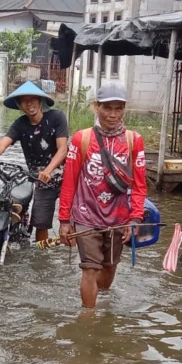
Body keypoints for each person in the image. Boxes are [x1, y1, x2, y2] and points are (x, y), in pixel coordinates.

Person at [58, 82, 147, 309]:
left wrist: (135, 218)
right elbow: (69, 182)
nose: (113, 115)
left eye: (119, 109)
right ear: (96, 107)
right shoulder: (81, 139)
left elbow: (139, 185)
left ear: (124, 109)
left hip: (118, 217)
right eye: (107, 108)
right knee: (89, 269)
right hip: (86, 215)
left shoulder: (133, 140)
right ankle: (88, 318)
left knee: (109, 267)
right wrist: (64, 220)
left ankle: (102, 302)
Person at [0, 82, 70, 243]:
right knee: (41, 224)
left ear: (40, 100)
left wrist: (48, 170)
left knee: (73, 221)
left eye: (33, 99)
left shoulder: (57, 117)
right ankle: (42, 260)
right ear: (19, 105)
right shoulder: (20, 124)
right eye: (24, 101)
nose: (29, 104)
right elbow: (2, 145)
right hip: (40, 180)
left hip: (66, 177)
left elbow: (63, 149)